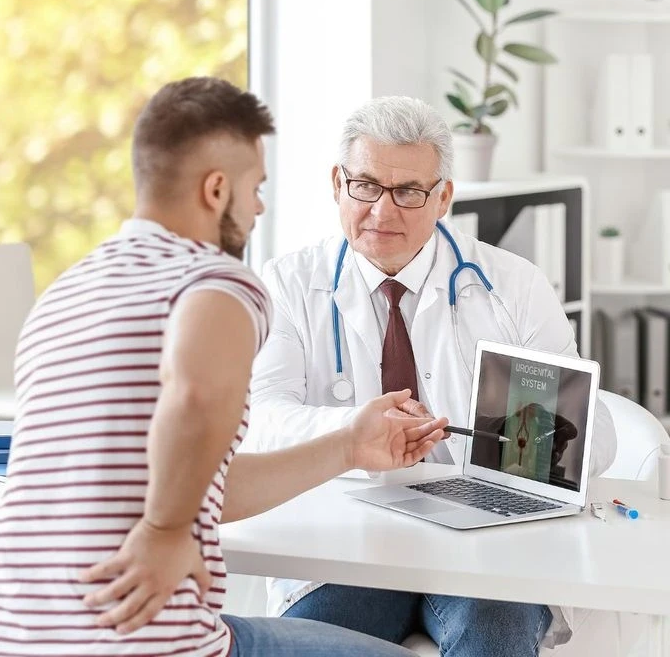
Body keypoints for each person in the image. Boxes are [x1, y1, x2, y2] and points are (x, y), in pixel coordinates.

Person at [0, 79, 449, 657]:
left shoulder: (67, 292)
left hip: (2, 636)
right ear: (217, 189)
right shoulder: (213, 281)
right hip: (142, 639)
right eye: (255, 188)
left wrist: (347, 446)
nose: (259, 207)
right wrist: (164, 533)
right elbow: (195, 398)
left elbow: (200, 480)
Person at [246, 95, 618, 655]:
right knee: (321, 638)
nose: (382, 211)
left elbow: (598, 437)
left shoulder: (513, 286)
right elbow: (260, 422)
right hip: (347, 539)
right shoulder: (288, 285)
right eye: (365, 185)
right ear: (337, 182)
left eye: (409, 192)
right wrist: (355, 434)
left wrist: (544, 439)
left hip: (486, 539)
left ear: (443, 196)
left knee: (493, 632)